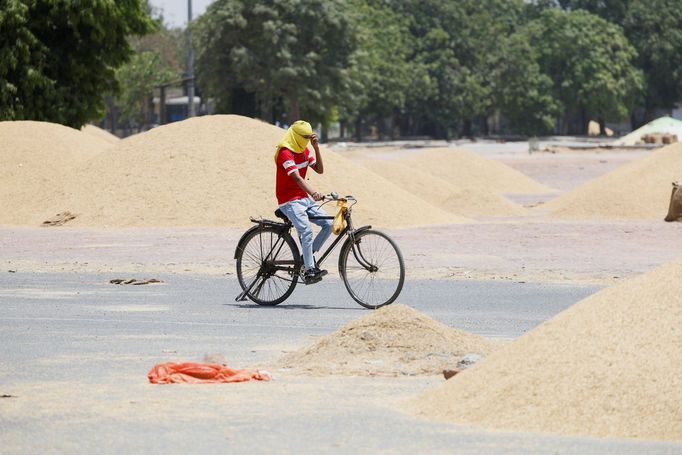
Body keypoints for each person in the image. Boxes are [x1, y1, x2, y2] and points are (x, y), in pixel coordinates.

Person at [274, 120, 333, 285]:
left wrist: (316, 148)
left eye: (309, 137)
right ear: (295, 135)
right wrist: (313, 192)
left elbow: (320, 170)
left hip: (303, 199)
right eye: (305, 137)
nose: (307, 140)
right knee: (306, 231)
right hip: (289, 201)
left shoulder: (304, 150)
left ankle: (306, 258)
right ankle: (308, 270)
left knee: (329, 224)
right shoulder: (285, 152)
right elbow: (297, 178)